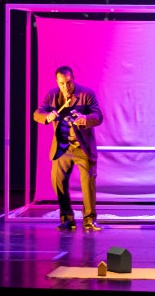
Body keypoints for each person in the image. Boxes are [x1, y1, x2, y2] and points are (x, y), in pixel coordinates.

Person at [33, 65, 104, 231]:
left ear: (73, 79)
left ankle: (89, 220)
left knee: (88, 184)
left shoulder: (86, 94)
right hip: (62, 148)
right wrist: (48, 116)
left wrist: (85, 118)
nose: (66, 87)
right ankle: (67, 219)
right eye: (62, 83)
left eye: (68, 82)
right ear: (57, 82)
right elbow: (37, 113)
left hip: (82, 147)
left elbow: (98, 116)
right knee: (58, 182)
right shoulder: (52, 95)